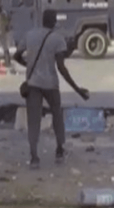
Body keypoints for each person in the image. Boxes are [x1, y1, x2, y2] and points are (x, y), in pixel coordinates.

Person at [13, 9, 90, 168]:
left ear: (42, 20)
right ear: (54, 21)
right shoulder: (57, 39)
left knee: (33, 121)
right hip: (51, 85)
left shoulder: (31, 35)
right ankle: (60, 150)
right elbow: (61, 68)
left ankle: (34, 157)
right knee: (57, 117)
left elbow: (17, 55)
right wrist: (77, 89)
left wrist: (27, 65)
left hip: (33, 84)